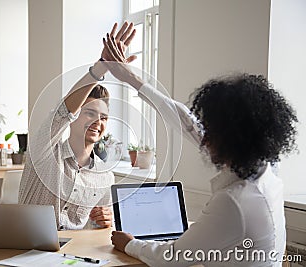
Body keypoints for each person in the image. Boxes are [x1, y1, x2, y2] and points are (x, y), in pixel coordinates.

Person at [102, 26, 297, 266]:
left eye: (211, 131)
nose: (203, 138)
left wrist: (129, 243)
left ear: (230, 137)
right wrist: (129, 77)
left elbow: (170, 258)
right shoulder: (266, 169)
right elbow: (188, 123)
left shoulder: (235, 202)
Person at [18, 23, 136, 230]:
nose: (97, 122)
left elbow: (98, 228)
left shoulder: (105, 176)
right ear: (74, 117)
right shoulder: (44, 153)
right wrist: (102, 67)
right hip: (28, 251)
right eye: (90, 113)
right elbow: (62, 112)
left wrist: (107, 220)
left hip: (74, 258)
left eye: (104, 118)